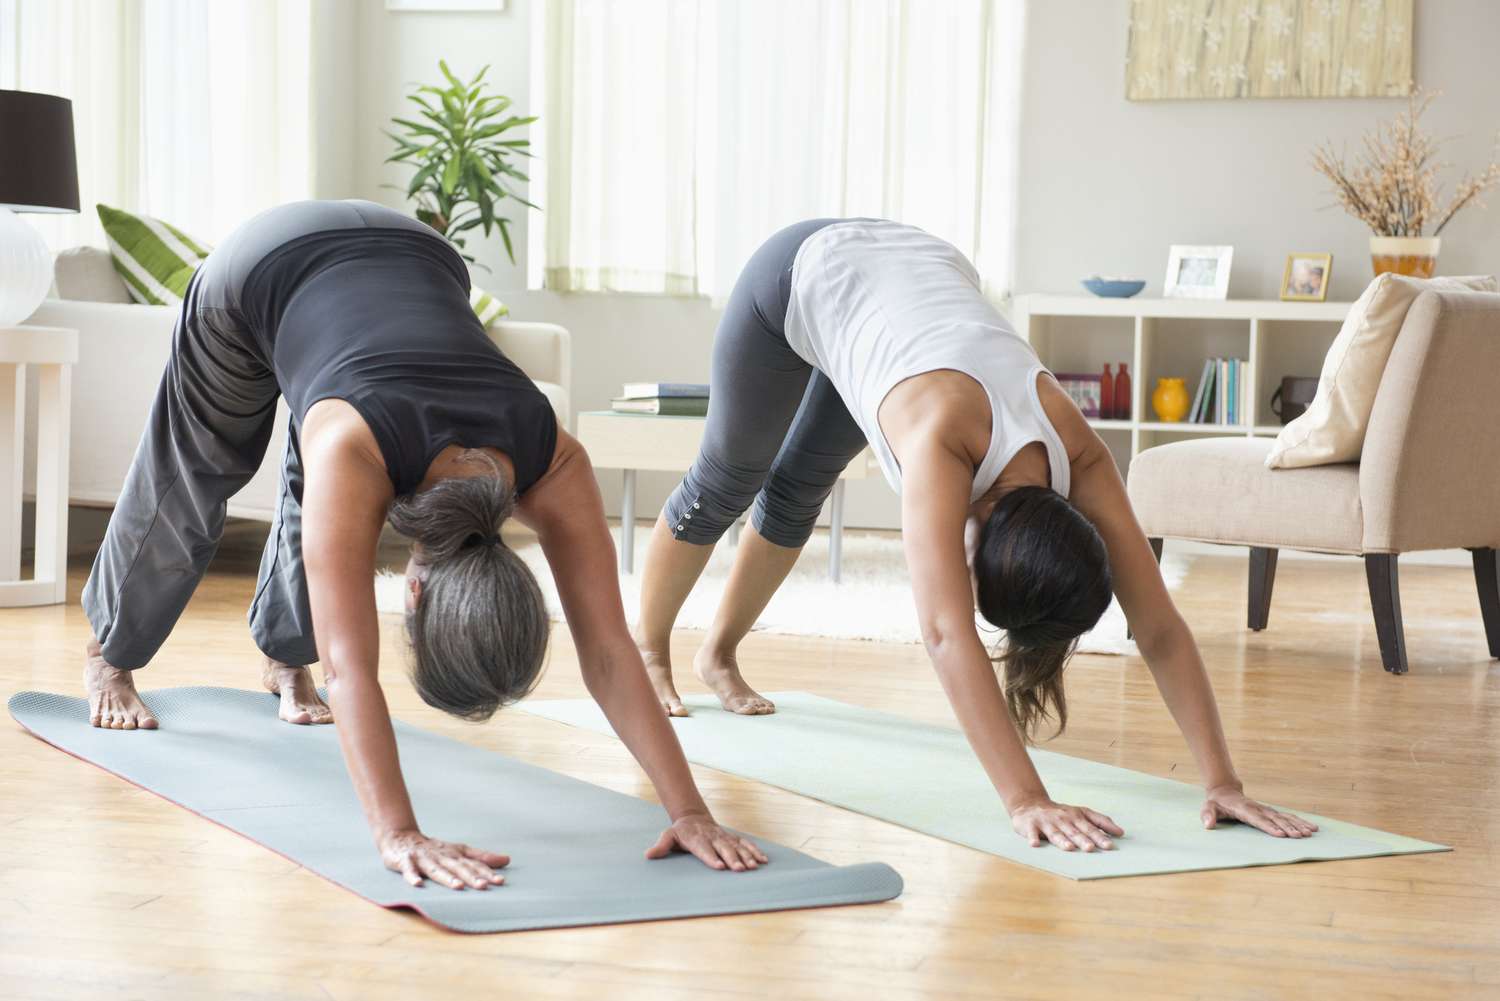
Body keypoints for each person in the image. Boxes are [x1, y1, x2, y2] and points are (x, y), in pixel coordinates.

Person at [82, 199, 767, 888]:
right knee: (201, 470)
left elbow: (612, 651)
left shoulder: (554, 460)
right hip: (262, 264)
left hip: (419, 255)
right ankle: (108, 653)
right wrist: (397, 832)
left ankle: (284, 658)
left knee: (322, 481)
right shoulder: (362, 449)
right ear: (412, 590)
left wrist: (689, 810)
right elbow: (352, 668)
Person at [635, 218, 1317, 853]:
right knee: (730, 477)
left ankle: (717, 656)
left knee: (798, 489)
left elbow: (1160, 625)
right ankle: (651, 648)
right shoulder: (940, 442)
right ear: (983, 527)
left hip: (908, 293)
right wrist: (1026, 799)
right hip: (803, 273)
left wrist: (1222, 780)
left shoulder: (1078, 455)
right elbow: (943, 630)